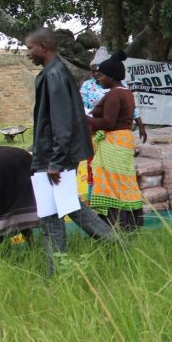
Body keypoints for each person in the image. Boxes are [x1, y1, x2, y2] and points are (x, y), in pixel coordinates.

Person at [25, 28, 123, 275]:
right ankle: (114, 247)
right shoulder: (52, 72)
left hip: (53, 158)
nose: (27, 54)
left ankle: (57, 270)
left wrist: (56, 161)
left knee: (59, 212)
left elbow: (62, 122)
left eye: (30, 48)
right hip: (51, 155)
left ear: (44, 47)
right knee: (62, 210)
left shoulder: (55, 75)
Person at [81, 46, 147, 200]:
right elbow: (84, 106)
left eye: (99, 72)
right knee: (97, 168)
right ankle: (99, 200)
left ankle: (110, 204)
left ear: (109, 75)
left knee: (111, 173)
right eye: (93, 71)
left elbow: (110, 121)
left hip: (110, 134)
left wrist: (84, 118)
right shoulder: (88, 86)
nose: (96, 75)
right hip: (96, 132)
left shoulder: (116, 92)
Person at [0, 145, 38, 244]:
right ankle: (32, 245)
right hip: (27, 205)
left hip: (3, 208)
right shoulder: (20, 152)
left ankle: (5, 253)